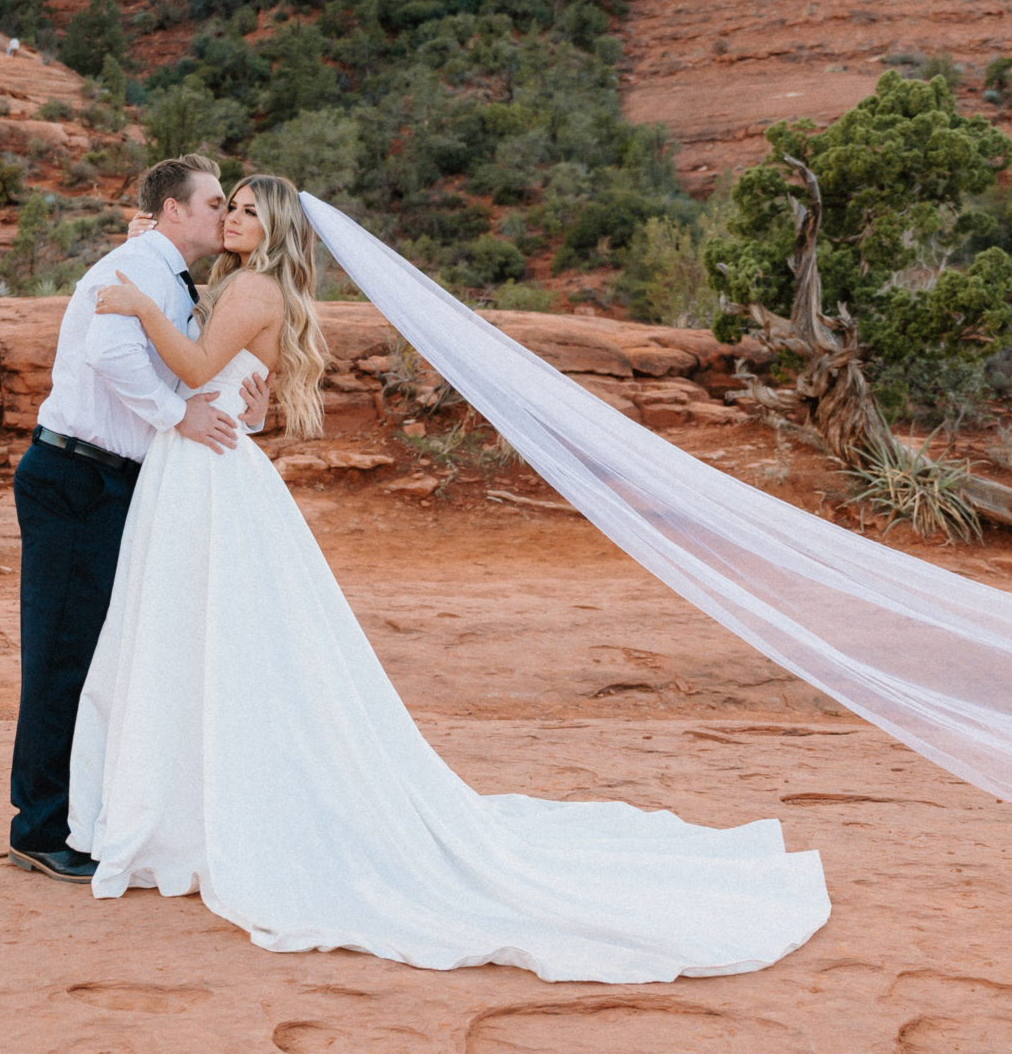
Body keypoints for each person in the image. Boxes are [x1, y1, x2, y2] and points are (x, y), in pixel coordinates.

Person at [70, 175, 829, 983]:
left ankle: (195, 811)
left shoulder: (252, 289)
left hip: (206, 476)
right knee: (210, 639)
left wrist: (145, 309)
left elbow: (187, 366)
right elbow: (242, 400)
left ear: (278, 229)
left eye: (250, 210)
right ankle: (198, 805)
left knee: (201, 637)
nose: (234, 219)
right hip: (207, 466)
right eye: (231, 205)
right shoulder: (249, 288)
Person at [8, 153, 269, 882]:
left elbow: (182, 357)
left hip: (110, 481)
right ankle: (38, 826)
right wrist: (173, 414)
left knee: (97, 655)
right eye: (216, 203)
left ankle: (80, 814)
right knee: (61, 655)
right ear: (175, 212)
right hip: (76, 477)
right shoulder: (142, 271)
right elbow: (111, 350)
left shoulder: (163, 272)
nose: (225, 214)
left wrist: (237, 398)